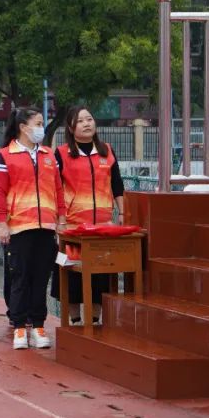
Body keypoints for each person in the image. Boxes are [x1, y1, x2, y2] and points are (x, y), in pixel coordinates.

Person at [0, 108, 65, 350]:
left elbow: (58, 189)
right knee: (20, 277)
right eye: (38, 123)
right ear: (23, 127)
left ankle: (39, 325)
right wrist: (2, 223)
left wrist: (61, 219)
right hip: (19, 227)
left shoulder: (48, 155)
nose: (41, 128)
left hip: (46, 226)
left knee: (41, 277)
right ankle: (20, 327)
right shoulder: (6, 155)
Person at [51, 107, 125, 326]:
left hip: (103, 227)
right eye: (80, 121)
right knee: (72, 275)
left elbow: (117, 184)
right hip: (73, 227)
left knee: (100, 276)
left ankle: (93, 321)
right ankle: (74, 321)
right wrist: (60, 221)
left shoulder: (107, 151)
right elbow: (55, 187)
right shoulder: (62, 153)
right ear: (71, 128)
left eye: (89, 119)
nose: (86, 124)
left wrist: (122, 212)